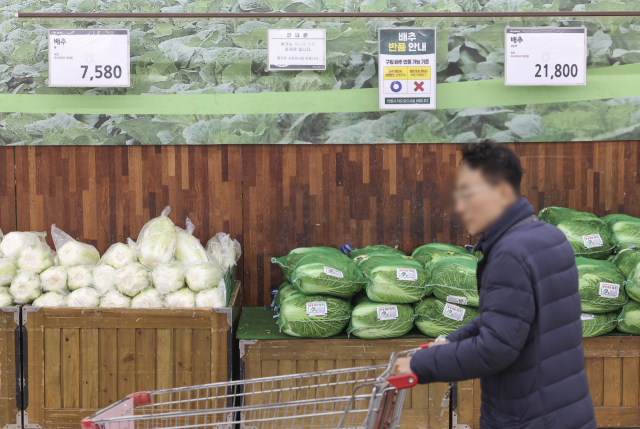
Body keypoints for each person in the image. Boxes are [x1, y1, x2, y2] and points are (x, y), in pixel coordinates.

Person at [391, 143, 596, 429]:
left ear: (502, 193)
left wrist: (419, 366)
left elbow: (496, 349)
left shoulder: (509, 254)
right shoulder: (551, 237)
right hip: (566, 409)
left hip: (528, 418)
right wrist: (452, 341)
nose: (460, 207)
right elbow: (508, 321)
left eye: (469, 194)